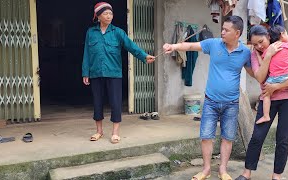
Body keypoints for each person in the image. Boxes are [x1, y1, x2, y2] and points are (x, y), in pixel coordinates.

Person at [163, 16, 254, 180]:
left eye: (227, 30)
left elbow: (255, 73)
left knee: (228, 137)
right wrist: (173, 45)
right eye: (223, 29)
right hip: (211, 101)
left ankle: (223, 170)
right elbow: (191, 45)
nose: (223, 32)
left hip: (232, 103)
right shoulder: (214, 44)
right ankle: (205, 170)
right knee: (206, 136)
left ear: (237, 33)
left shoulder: (245, 53)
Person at [235, 25, 288, 180]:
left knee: (283, 138)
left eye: (261, 42)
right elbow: (260, 78)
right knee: (257, 136)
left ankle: (277, 176)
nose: (259, 46)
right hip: (268, 99)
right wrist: (268, 56)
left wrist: (277, 86)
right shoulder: (256, 55)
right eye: (255, 44)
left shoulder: (285, 47)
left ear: (268, 36)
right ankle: (246, 173)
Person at [82, 2, 155, 144]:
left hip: (114, 72)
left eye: (111, 13)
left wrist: (144, 56)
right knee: (97, 102)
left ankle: (115, 133)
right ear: (98, 16)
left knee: (115, 103)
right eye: (105, 13)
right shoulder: (91, 32)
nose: (109, 16)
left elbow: (131, 46)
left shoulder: (118, 32)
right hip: (96, 72)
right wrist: (86, 72)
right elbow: (86, 53)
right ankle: (99, 131)